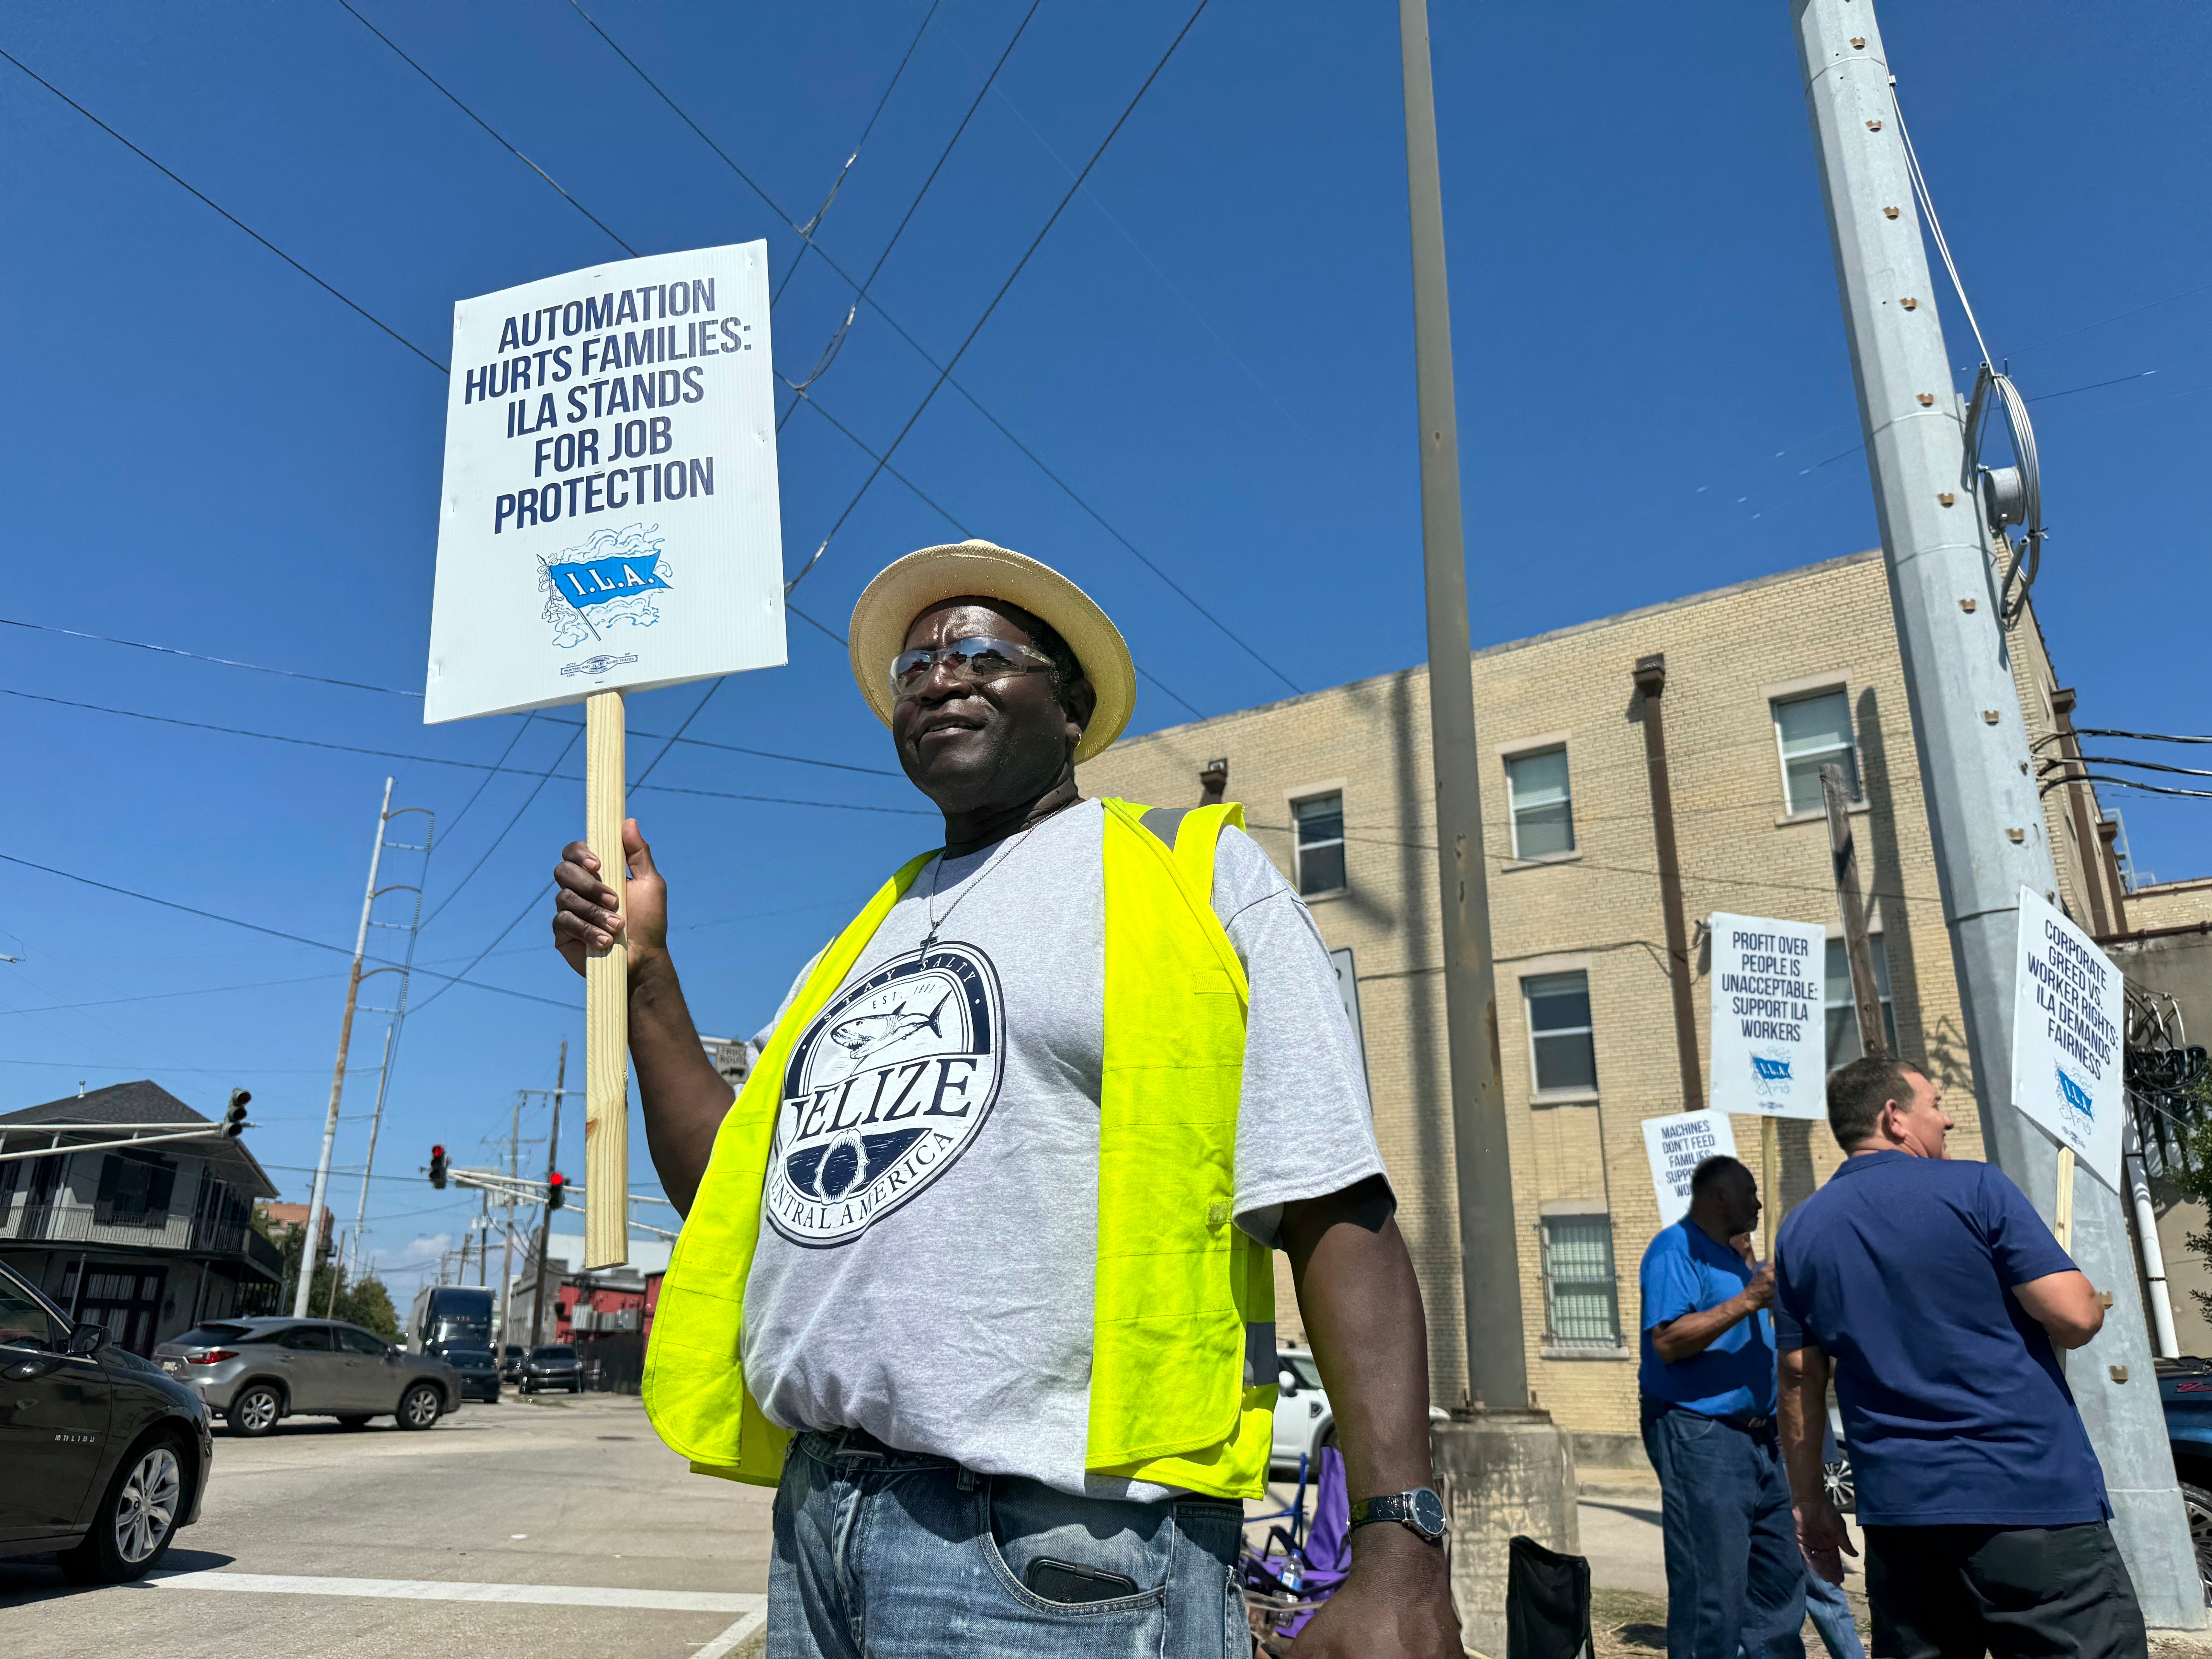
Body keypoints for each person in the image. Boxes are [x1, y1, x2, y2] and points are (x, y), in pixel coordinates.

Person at [549, 540, 1460, 1658]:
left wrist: (1399, 1549)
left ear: (1071, 704)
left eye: (982, 651)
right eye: (915, 666)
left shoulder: (1188, 877)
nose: (939, 676)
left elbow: (1334, 1203)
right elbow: (736, 1204)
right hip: (822, 1523)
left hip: (1063, 1552)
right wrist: (646, 972)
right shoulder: (853, 946)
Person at [1775, 1054, 2147, 1659]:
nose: (1947, 1122)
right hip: (2027, 1499)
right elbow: (2076, 1319)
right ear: (1894, 1117)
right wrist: (2085, 1293)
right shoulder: (1977, 1188)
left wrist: (1809, 1502)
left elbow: (1797, 1378)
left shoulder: (1800, 1231)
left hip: (1903, 1516)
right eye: (1937, 1105)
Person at [1637, 1155, 1805, 1659]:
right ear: (1718, 1198)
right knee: (1712, 1588)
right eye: (1749, 1192)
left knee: (1779, 1579)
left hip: (1761, 1439)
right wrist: (1748, 1300)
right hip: (1702, 1431)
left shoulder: (1734, 1259)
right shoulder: (1676, 1249)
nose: (1758, 1202)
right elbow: (1668, 1340)